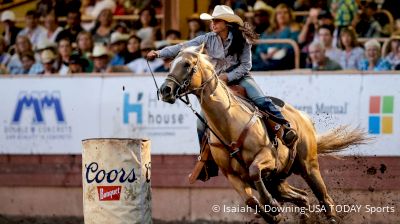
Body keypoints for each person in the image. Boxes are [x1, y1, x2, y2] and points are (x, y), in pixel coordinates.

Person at [147, 5, 297, 148]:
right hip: (215, 82)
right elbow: (183, 47)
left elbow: (246, 66)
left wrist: (228, 76)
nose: (213, 24)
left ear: (227, 23)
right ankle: (206, 160)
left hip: (241, 78)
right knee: (201, 125)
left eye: (217, 20)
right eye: (212, 21)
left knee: (261, 100)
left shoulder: (242, 39)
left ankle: (285, 128)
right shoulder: (207, 38)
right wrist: (159, 53)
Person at [253, 3, 300, 71]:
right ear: (275, 16)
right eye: (279, 13)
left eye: (285, 13)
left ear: (290, 15)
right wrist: (262, 54)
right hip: (266, 59)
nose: (282, 15)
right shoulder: (269, 31)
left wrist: (276, 50)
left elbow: (292, 44)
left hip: (283, 59)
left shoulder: (293, 28)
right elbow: (260, 46)